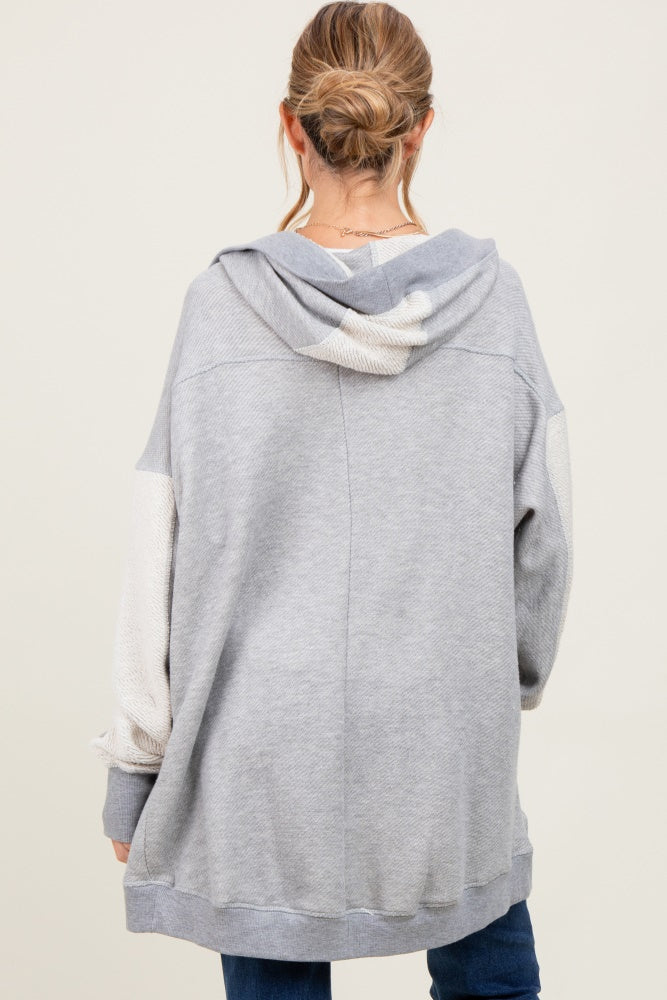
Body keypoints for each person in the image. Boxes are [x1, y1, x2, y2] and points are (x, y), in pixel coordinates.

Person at [89, 3, 573, 998]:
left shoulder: (221, 307)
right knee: (488, 972)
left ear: (291, 125)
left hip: (260, 740)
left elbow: (156, 543)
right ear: (420, 128)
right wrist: (502, 678)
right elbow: (545, 533)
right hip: (445, 734)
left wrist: (135, 766)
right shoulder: (494, 302)